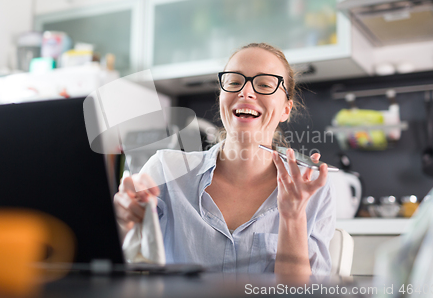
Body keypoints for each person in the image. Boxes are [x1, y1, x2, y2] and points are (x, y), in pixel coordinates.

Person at [114, 43, 335, 279]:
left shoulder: (312, 189)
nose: (246, 92)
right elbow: (125, 264)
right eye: (234, 82)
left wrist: (293, 218)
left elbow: (301, 295)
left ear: (285, 109)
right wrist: (121, 220)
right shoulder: (166, 171)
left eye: (265, 84)